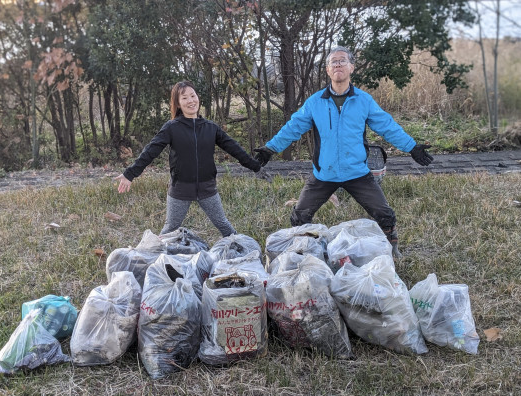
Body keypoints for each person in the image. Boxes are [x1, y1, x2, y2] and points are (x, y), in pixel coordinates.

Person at [254, 45, 433, 258]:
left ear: (351, 68)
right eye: (333, 62)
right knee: (300, 215)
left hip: (356, 172)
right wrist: (270, 148)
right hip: (324, 173)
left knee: (385, 214)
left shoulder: (364, 101)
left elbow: (387, 126)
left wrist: (411, 147)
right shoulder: (315, 102)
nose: (338, 64)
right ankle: (302, 251)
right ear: (328, 71)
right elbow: (293, 128)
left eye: (342, 61)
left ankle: (392, 248)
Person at [114, 80, 261, 237]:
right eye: (184, 98)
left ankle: (241, 251)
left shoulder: (210, 128)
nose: (190, 101)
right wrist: (130, 174)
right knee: (170, 230)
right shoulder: (171, 127)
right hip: (180, 189)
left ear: (198, 97)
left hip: (207, 188)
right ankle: (156, 258)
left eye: (193, 95)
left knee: (224, 225)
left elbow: (234, 148)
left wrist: (256, 166)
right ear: (177, 103)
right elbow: (150, 151)